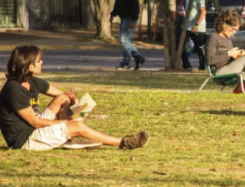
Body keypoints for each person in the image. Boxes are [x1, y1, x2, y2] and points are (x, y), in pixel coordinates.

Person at [0, 46, 150, 151]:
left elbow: (62, 95)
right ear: (30, 66)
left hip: (34, 128)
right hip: (25, 139)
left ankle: (70, 138)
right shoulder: (14, 89)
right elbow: (36, 122)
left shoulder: (31, 81)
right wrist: (68, 122)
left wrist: (75, 104)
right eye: (39, 61)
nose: (42, 63)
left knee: (63, 98)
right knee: (76, 126)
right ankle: (124, 142)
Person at [111, 0, 145, 70]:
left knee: (124, 40)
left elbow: (135, 4)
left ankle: (126, 63)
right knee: (125, 41)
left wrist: (133, 19)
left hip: (130, 18)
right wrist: (114, 12)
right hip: (123, 17)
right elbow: (117, 2)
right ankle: (138, 58)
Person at [182, 0, 207, 70]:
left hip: (198, 28)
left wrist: (196, 25)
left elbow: (203, 11)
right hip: (188, 26)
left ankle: (202, 67)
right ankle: (186, 65)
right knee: (180, 45)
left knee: (200, 49)